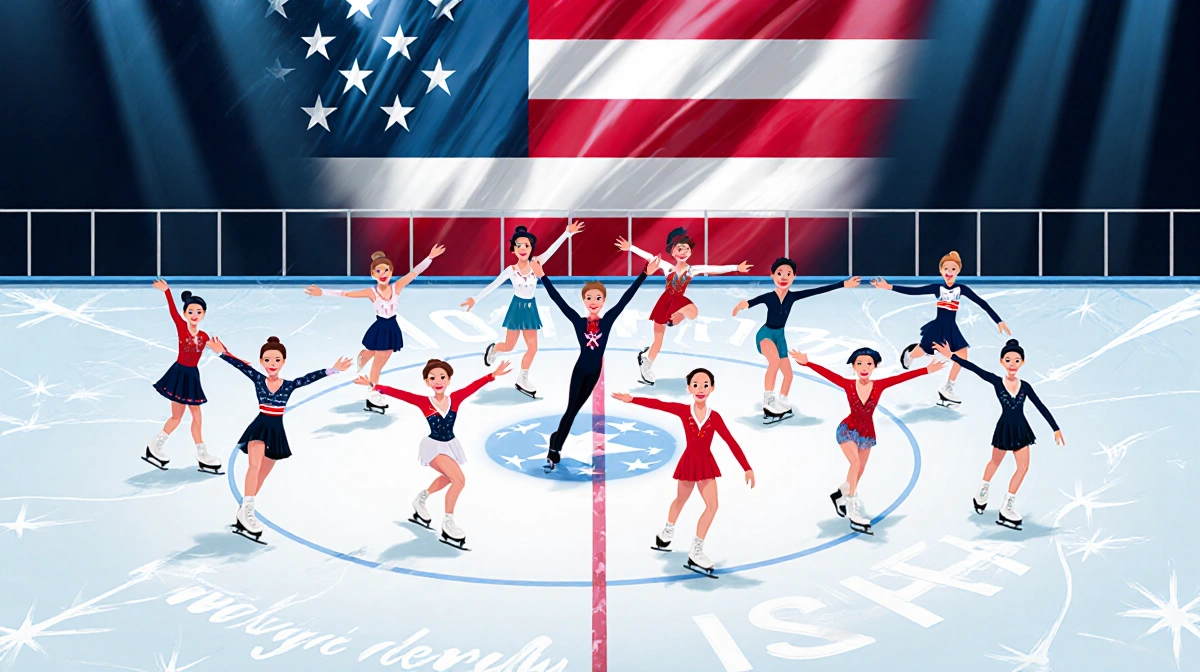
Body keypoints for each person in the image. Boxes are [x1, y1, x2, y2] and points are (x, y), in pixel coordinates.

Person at [612, 368, 754, 576]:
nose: (700, 389)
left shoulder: (715, 417)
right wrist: (632, 399)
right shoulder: (683, 411)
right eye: (696, 385)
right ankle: (667, 531)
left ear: (712, 388)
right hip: (689, 463)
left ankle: (696, 549)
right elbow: (660, 405)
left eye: (705, 385)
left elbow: (730, 441)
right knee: (680, 500)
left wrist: (746, 467)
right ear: (689, 388)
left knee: (712, 506)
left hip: (706, 464)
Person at [356, 359, 511, 550]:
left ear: (449, 379)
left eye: (442, 377)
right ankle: (448, 521)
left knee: (449, 477)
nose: (438, 381)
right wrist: (373, 384)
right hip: (433, 447)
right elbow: (400, 394)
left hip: (450, 445)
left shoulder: (455, 398)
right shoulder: (424, 402)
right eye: (433, 378)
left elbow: (472, 387)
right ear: (427, 382)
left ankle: (421, 498)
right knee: (459, 480)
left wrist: (492, 375)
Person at [209, 336, 351, 543]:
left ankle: (244, 508)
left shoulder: (288, 385)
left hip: (276, 431)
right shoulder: (259, 380)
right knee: (254, 466)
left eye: (276, 360)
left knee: (263, 473)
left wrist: (332, 370)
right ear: (261, 361)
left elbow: (307, 379)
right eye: (267, 360)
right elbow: (241, 367)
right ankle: (248, 509)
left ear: (283, 362)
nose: (272, 364)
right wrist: (221, 353)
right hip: (259, 427)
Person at [790, 347, 944, 534]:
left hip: (866, 433)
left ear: (875, 366)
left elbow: (901, 378)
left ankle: (841, 493)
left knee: (859, 470)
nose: (864, 367)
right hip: (847, 430)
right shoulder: (848, 384)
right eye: (860, 363)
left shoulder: (879, 385)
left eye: (869, 364)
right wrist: (807, 363)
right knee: (855, 464)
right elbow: (828, 374)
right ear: (853, 366)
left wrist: (926, 370)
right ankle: (852, 509)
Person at [533, 255, 658, 470]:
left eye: (598, 298)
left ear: (603, 301)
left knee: (574, 411)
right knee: (571, 410)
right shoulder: (577, 321)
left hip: (594, 372)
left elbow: (626, 299)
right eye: (589, 297)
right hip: (580, 370)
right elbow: (558, 300)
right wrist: (542, 276)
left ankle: (556, 438)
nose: (593, 301)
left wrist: (644, 274)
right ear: (584, 300)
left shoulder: (607, 320)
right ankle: (554, 450)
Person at [931, 340, 1065, 530]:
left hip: (1021, 429)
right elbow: (974, 368)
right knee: (995, 462)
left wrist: (1055, 428)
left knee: (1023, 467)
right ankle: (983, 490)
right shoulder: (996, 381)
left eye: (1016, 360)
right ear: (1002, 361)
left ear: (1022, 362)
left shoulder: (1025, 386)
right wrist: (952, 356)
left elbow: (1040, 406)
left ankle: (1007, 506)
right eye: (1008, 360)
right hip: (1005, 428)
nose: (1012, 364)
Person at [304, 245, 445, 413]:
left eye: (386, 270)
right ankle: (372, 392)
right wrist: (322, 292)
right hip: (381, 327)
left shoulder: (397, 287)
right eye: (378, 271)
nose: (383, 274)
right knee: (378, 363)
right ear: (372, 274)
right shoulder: (371, 292)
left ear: (391, 271)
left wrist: (430, 257)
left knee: (383, 355)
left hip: (392, 327)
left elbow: (415, 272)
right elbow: (346, 294)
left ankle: (366, 355)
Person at [461, 220, 583, 397]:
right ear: (513, 249)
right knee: (509, 346)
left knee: (533, 348)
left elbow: (552, 250)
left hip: (530, 308)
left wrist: (566, 233)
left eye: (527, 245)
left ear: (531, 248)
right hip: (517, 308)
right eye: (519, 245)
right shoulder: (511, 270)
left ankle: (522, 378)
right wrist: (475, 299)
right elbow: (494, 285)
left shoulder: (537, 263)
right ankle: (494, 349)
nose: (523, 248)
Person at [871, 251, 1010, 406]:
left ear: (958, 271)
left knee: (962, 355)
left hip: (951, 328)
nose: (949, 272)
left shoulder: (961, 289)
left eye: (953, 269)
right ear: (941, 270)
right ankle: (910, 353)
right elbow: (914, 291)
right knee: (924, 351)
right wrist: (888, 287)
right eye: (946, 269)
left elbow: (981, 303)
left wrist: (999, 321)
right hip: (938, 327)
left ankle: (948, 386)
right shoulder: (937, 288)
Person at [616, 227, 751, 385]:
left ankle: (672, 319)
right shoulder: (667, 267)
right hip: (665, 302)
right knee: (658, 342)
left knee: (693, 312)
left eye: (687, 249)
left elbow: (713, 269)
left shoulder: (692, 270)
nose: (683, 252)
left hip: (679, 302)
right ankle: (646, 361)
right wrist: (631, 247)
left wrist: (736, 268)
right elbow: (650, 257)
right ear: (672, 251)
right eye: (680, 248)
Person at [733, 259, 860, 422]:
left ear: (794, 276)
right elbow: (750, 302)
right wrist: (741, 305)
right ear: (772, 275)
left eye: (788, 274)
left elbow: (817, 290)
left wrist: (842, 284)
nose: (784, 277)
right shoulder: (769, 297)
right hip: (765, 335)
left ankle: (782, 402)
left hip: (780, 336)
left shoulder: (793, 297)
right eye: (780, 273)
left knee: (788, 374)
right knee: (774, 362)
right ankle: (768, 401)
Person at [144, 279, 222, 473]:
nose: (195, 315)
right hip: (179, 375)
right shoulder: (181, 326)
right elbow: (172, 311)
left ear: (203, 314)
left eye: (199, 312)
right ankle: (156, 445)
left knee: (197, 416)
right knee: (177, 417)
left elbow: (220, 350)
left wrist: (232, 356)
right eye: (191, 311)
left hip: (192, 377)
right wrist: (167, 291)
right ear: (185, 313)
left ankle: (201, 453)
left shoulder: (204, 336)